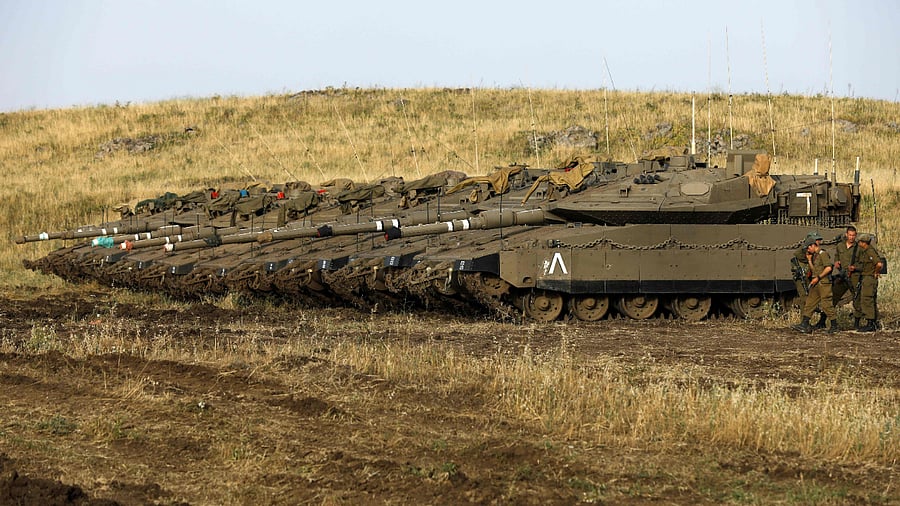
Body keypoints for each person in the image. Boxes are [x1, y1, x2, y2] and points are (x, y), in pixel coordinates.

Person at [792, 236, 838, 333]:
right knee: (810, 303)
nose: (808, 250)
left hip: (824, 283)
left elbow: (829, 268)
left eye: (808, 248)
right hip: (816, 283)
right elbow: (814, 271)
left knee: (826, 304)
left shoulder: (822, 254)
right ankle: (804, 324)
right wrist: (809, 260)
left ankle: (834, 325)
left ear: (813, 245)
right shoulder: (815, 256)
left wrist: (818, 277)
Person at [792, 231, 827, 328]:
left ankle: (809, 322)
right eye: (816, 240)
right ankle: (804, 322)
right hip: (803, 277)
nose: (818, 242)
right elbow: (799, 255)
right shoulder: (803, 252)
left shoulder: (818, 252)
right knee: (805, 299)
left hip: (814, 277)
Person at [831, 226, 863, 328]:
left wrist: (855, 267)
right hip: (842, 275)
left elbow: (863, 264)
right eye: (850, 235)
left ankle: (857, 323)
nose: (851, 237)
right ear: (846, 235)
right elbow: (837, 256)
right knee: (833, 296)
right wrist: (836, 262)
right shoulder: (840, 246)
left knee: (857, 299)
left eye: (853, 235)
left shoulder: (859, 248)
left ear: (856, 235)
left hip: (854, 277)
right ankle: (825, 320)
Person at [855, 233, 884, 332]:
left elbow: (879, 264)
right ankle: (873, 322)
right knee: (869, 299)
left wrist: (876, 272)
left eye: (860, 242)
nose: (859, 244)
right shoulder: (865, 251)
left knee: (867, 299)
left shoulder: (870, 251)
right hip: (867, 277)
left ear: (864, 243)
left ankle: (870, 323)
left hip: (869, 278)